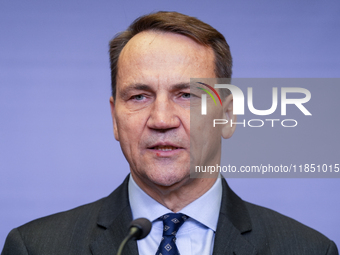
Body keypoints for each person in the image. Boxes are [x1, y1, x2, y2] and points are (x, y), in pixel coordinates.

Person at [1, 11, 338, 255]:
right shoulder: (36, 247)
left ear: (228, 115)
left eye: (187, 95)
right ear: (115, 119)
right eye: (139, 96)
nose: (161, 118)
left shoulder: (307, 249)